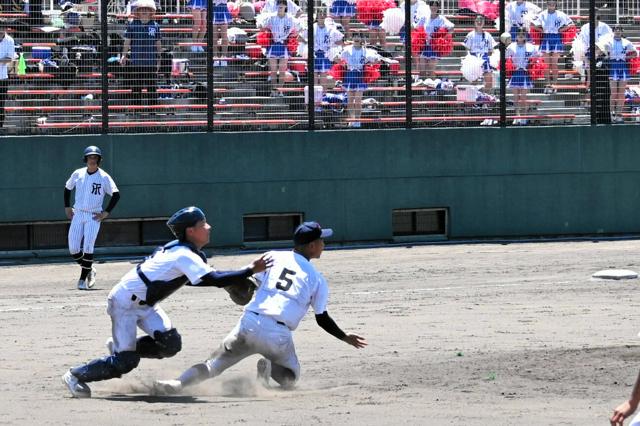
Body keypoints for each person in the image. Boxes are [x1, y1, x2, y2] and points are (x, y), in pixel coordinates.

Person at [61, 206, 273, 398]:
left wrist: (227, 279)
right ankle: (75, 375)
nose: (209, 227)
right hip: (124, 303)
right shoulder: (183, 255)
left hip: (146, 303)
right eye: (203, 224)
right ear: (191, 231)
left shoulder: (183, 251)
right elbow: (212, 279)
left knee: (170, 344)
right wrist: (250, 270)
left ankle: (126, 347)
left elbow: (188, 280)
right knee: (125, 363)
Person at [153, 221, 366, 395]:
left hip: (249, 322)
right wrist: (344, 336)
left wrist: (232, 286)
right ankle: (270, 368)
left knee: (212, 365)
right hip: (277, 334)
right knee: (290, 378)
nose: (324, 245)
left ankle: (177, 384)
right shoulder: (317, 279)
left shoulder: (273, 256)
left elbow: (248, 286)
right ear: (311, 246)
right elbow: (322, 318)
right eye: (321, 241)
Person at [64, 146, 120, 290]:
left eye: (95, 157)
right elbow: (67, 188)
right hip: (78, 213)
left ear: (99, 160)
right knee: (73, 248)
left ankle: (82, 280)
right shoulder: (78, 173)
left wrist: (106, 213)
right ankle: (89, 269)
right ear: (86, 159)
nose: (92, 160)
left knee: (88, 246)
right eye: (90, 157)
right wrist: (67, 207)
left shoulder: (104, 176)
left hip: (94, 216)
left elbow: (116, 194)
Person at [120, 0, 162, 110]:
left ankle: (153, 112)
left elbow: (158, 44)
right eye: (141, 9)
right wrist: (123, 55)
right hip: (136, 62)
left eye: (146, 9)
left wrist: (159, 60)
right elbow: (127, 41)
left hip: (151, 62)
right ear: (137, 12)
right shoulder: (132, 24)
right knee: (136, 88)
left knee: (152, 88)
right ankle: (136, 111)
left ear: (150, 12)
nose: (144, 11)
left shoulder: (155, 26)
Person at [258, 0, 300, 96]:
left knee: (282, 71)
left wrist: (293, 35)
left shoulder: (290, 18)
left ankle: (280, 90)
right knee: (273, 71)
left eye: (282, 4)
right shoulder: (271, 17)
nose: (280, 6)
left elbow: (300, 28)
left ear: (286, 6)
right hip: (273, 45)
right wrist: (261, 25)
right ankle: (274, 91)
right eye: (279, 4)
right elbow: (261, 26)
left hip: (284, 46)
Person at [340, 32, 381, 128]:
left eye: (359, 36)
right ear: (352, 38)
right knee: (350, 100)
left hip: (360, 76)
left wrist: (374, 61)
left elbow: (376, 60)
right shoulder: (347, 50)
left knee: (358, 100)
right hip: (349, 75)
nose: (357, 38)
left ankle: (357, 120)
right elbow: (338, 58)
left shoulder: (366, 51)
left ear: (362, 39)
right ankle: (351, 120)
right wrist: (344, 64)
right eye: (355, 36)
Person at [532, 0, 574, 94]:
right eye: (549, 3)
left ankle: (555, 85)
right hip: (546, 38)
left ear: (556, 5)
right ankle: (547, 85)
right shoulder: (542, 14)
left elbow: (571, 24)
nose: (551, 5)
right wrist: (542, 30)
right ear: (547, 4)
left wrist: (561, 30)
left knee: (554, 63)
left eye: (553, 4)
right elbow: (532, 24)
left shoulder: (561, 14)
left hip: (556, 38)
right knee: (546, 64)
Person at [600, 25, 637, 124]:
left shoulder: (627, 42)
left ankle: (619, 113)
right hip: (613, 65)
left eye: (619, 30)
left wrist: (626, 57)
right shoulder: (608, 41)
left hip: (623, 65)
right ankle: (611, 113)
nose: (617, 31)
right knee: (613, 92)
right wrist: (606, 54)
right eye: (616, 29)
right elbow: (601, 50)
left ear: (622, 31)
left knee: (621, 93)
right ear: (613, 31)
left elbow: (635, 53)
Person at [505, 28, 540, 125]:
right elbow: (506, 58)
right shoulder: (511, 46)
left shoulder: (530, 47)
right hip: (516, 73)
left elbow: (537, 57)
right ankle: (517, 116)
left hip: (525, 73)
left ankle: (524, 117)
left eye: (523, 34)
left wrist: (531, 65)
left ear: (525, 35)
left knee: (524, 97)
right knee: (516, 96)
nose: (521, 35)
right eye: (519, 33)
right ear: (515, 36)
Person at [416, 0, 454, 80]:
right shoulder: (425, 17)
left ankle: (432, 90)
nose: (433, 7)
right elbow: (416, 27)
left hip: (434, 48)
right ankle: (423, 91)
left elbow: (451, 28)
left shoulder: (442, 19)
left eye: (435, 5)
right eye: (432, 5)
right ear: (429, 6)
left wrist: (443, 38)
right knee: (422, 71)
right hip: (424, 46)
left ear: (438, 7)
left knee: (430, 70)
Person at [463, 14, 497, 92]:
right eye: (477, 20)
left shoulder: (488, 35)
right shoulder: (470, 35)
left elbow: (492, 49)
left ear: (484, 22)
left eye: (481, 20)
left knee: (489, 82)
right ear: (474, 22)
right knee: (474, 81)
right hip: (474, 59)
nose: (479, 22)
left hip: (485, 58)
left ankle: (485, 99)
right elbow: (467, 48)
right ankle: (474, 100)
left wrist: (490, 56)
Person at [577, 14, 612, 85]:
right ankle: (589, 87)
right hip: (589, 52)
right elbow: (581, 40)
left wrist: (599, 49)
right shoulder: (585, 27)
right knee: (588, 70)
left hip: (602, 54)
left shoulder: (604, 26)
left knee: (601, 75)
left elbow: (609, 39)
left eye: (595, 17)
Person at [0, 21, 14, 131]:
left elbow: (10, 59)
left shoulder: (10, 40)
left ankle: (0, 127)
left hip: (2, 77)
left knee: (1, 105)